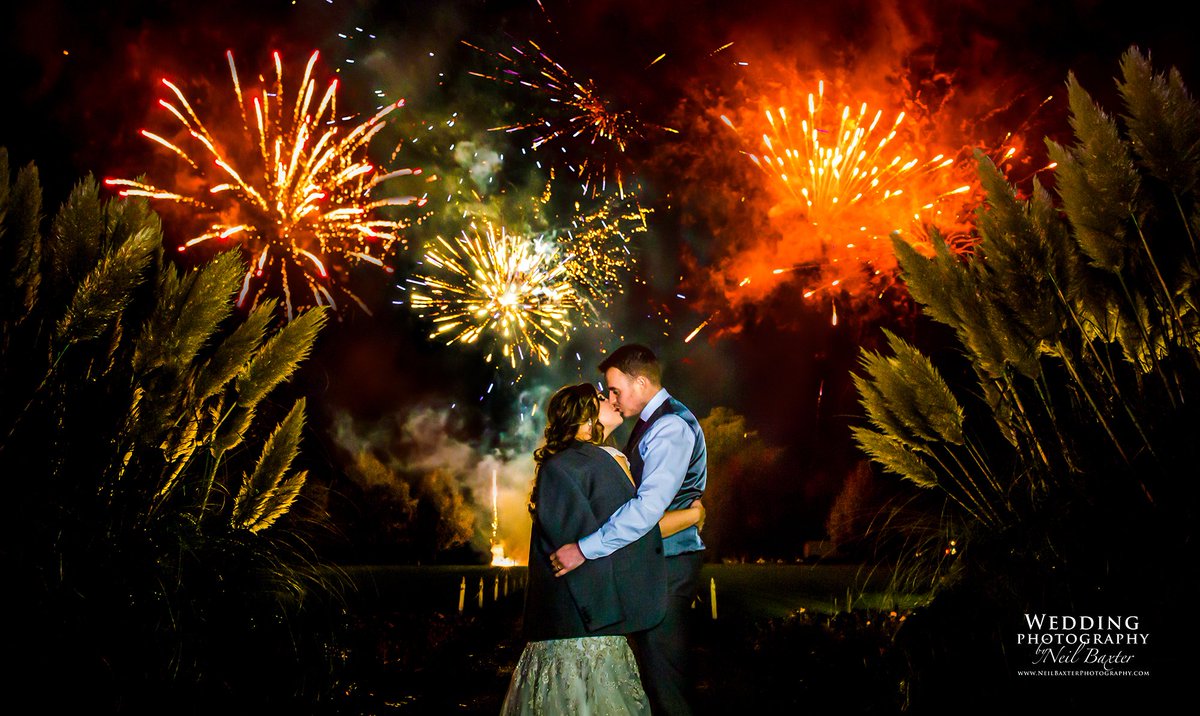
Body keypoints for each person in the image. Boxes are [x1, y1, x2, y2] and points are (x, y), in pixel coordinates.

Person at [501, 383, 704, 715]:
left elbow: (626, 529)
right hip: (580, 630)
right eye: (601, 398)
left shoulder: (596, 460)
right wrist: (693, 516)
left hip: (596, 627)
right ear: (582, 416)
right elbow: (627, 531)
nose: (613, 400)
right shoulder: (575, 465)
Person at [550, 344, 707, 716]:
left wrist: (584, 548)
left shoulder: (669, 426)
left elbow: (647, 509)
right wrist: (693, 515)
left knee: (665, 681)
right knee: (653, 679)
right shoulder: (651, 425)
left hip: (668, 567)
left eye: (616, 390)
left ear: (640, 382)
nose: (612, 399)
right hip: (655, 564)